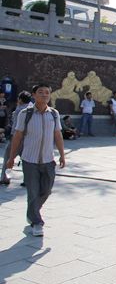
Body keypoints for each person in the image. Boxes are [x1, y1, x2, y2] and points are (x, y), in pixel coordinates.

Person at [6, 84, 66, 237]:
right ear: (33, 95)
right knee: (33, 192)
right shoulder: (25, 114)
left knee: (46, 190)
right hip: (29, 160)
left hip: (48, 160)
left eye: (47, 92)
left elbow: (58, 135)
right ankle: (37, 222)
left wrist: (62, 154)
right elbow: (17, 136)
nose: (44, 95)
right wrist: (11, 158)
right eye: (40, 92)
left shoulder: (54, 114)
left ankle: (32, 213)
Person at [1, 91, 32, 185]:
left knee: (8, 158)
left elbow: (15, 125)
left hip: (17, 137)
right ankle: (27, 180)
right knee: (27, 160)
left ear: (20, 99)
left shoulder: (20, 110)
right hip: (28, 138)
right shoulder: (32, 108)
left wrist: (11, 135)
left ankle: (5, 178)